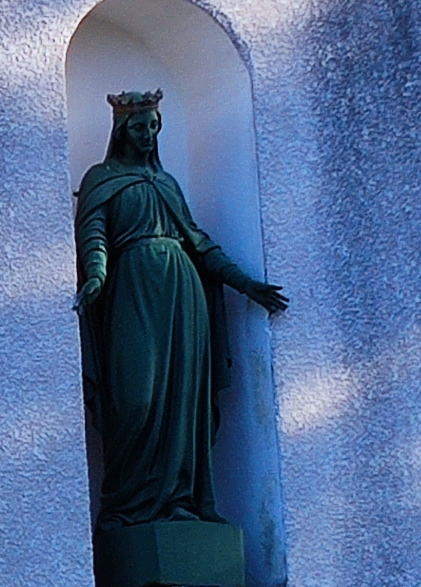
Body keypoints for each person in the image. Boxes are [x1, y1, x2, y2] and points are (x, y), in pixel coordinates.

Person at [74, 91, 284, 562]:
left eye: (153, 127)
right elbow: (93, 230)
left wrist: (246, 284)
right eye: (138, 127)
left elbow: (199, 242)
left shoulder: (167, 183)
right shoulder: (101, 179)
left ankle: (180, 503)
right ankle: (129, 505)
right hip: (131, 288)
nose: (147, 136)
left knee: (182, 402)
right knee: (138, 395)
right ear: (120, 130)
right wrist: (97, 273)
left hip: (182, 296)